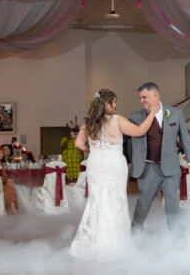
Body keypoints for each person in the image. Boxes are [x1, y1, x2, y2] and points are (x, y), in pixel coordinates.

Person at [69, 89, 161, 261]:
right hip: (114, 163)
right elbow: (140, 130)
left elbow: (78, 143)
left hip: (95, 163)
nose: (116, 106)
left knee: (97, 200)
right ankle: (115, 244)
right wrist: (153, 114)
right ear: (106, 104)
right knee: (115, 200)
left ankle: (93, 243)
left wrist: (94, 150)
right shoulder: (118, 120)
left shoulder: (88, 123)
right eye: (114, 102)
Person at [129, 82, 190, 232]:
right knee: (143, 204)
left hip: (171, 167)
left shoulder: (176, 113)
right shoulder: (135, 117)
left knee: (173, 205)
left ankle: (176, 238)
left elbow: (185, 138)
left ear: (155, 96)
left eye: (144, 97)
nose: (141, 101)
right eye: (140, 98)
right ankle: (135, 232)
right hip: (148, 168)